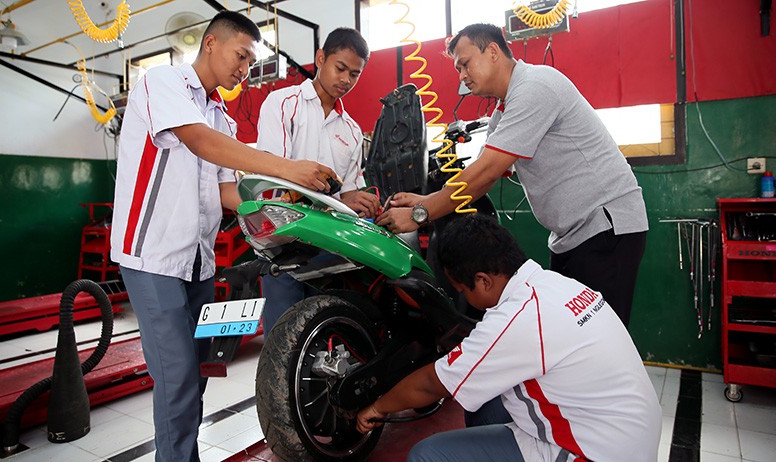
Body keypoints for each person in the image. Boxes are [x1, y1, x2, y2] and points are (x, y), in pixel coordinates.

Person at [110, 11, 338, 462]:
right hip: (150, 257)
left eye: (252, 63)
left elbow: (225, 192)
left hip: (196, 261)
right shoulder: (164, 83)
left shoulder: (223, 119)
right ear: (210, 43)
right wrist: (288, 167)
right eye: (242, 55)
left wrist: (287, 212)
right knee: (175, 375)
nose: (245, 69)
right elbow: (198, 141)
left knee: (195, 374)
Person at [376, 23, 648, 327]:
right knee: (569, 334)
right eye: (458, 69)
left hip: (603, 226)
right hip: (571, 236)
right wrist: (426, 198)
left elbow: (486, 171)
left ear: (493, 51)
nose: (462, 76)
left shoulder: (536, 86)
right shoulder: (503, 113)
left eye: (465, 64)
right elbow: (482, 176)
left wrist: (419, 214)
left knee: (595, 335)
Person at [356, 214, 661, 462]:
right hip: (632, 440)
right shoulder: (555, 285)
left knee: (427, 455)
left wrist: (377, 407)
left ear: (484, 281)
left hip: (592, 454)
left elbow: (431, 384)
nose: (463, 297)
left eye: (462, 291)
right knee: (482, 401)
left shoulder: (519, 317)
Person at [256, 27, 380, 336]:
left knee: (323, 337)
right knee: (283, 339)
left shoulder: (351, 131)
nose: (346, 80)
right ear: (320, 58)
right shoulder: (282, 104)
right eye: (340, 68)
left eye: (355, 74)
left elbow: (350, 192)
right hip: (283, 246)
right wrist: (339, 199)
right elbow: (273, 179)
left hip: (329, 252)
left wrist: (361, 202)